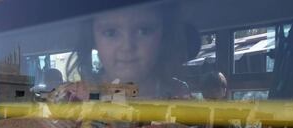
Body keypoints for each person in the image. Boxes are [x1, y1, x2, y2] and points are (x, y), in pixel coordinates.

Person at [63, 3, 201, 101]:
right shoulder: (76, 98)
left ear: (164, 35)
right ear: (92, 38)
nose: (127, 46)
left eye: (143, 31)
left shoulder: (179, 94)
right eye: (111, 32)